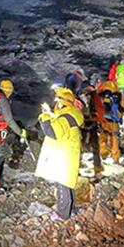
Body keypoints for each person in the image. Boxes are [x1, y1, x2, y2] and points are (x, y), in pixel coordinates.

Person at [35, 88, 84, 221]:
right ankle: (71, 209)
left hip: (65, 156)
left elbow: (52, 132)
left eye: (57, 100)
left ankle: (63, 215)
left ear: (62, 103)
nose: (55, 103)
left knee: (63, 184)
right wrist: (51, 114)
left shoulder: (67, 117)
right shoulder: (70, 114)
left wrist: (45, 116)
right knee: (68, 183)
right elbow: (59, 121)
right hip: (68, 154)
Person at [77, 79, 105, 174]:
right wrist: (101, 122)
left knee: (81, 144)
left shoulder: (78, 97)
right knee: (94, 144)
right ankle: (97, 166)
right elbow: (100, 109)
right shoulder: (94, 96)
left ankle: (78, 165)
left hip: (84, 123)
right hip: (91, 122)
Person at [97, 80, 124, 164]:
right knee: (115, 138)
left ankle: (103, 152)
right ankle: (115, 156)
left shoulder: (100, 95)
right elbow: (123, 107)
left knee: (103, 136)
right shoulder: (118, 95)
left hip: (103, 120)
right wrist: (119, 115)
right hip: (114, 121)